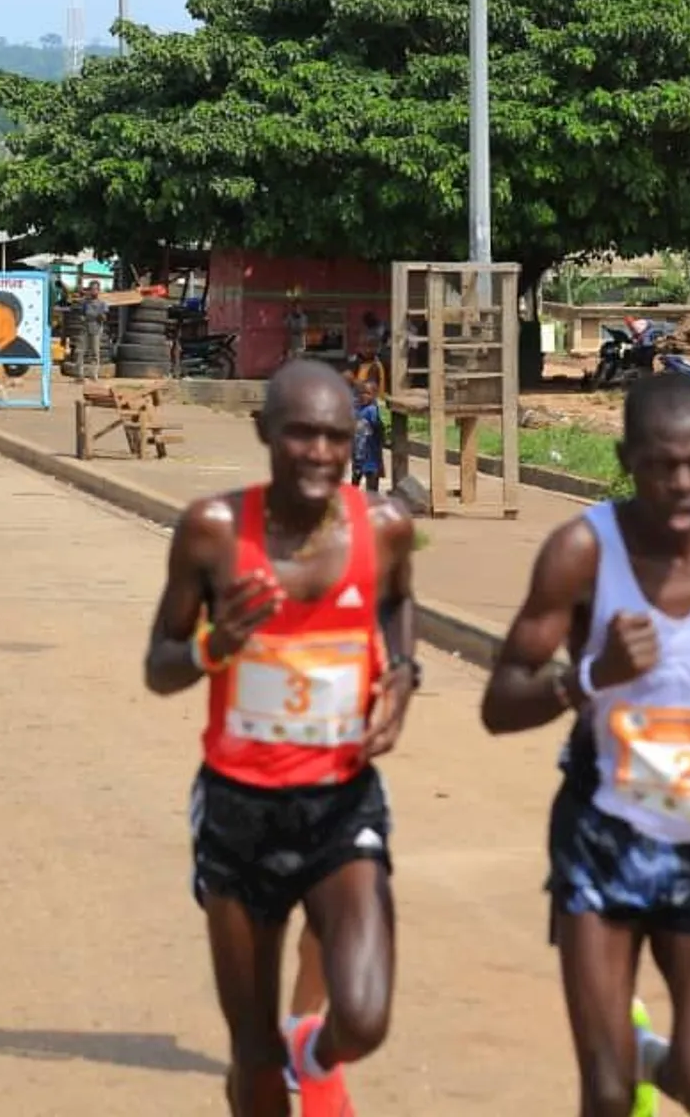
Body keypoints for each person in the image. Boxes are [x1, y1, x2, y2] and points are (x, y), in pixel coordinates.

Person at [479, 372, 690, 1117]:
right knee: (603, 1093)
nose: (683, 482)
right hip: (601, 837)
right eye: (662, 465)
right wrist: (593, 674)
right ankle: (616, 1061)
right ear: (626, 457)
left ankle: (638, 1049)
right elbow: (499, 704)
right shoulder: (581, 553)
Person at [143, 359, 419, 1117]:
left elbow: (397, 604)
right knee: (254, 1057)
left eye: (336, 436)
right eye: (301, 434)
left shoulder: (386, 528)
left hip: (341, 802)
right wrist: (212, 647)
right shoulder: (213, 530)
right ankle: (278, 1059)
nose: (321, 453)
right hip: (240, 809)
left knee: (362, 1016)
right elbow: (159, 667)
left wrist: (401, 674)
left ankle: (316, 1050)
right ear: (264, 433)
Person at [349, 379, 385, 493]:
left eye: (368, 393)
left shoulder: (372, 410)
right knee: (355, 479)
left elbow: (378, 427)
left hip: (371, 454)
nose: (364, 396)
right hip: (358, 454)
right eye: (361, 393)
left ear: (374, 395)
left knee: (372, 481)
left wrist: (381, 441)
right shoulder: (356, 409)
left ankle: (372, 502)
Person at [78, 281, 110, 380]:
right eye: (92, 289)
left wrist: (102, 317)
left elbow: (105, 317)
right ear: (89, 290)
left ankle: (94, 374)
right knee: (81, 352)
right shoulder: (85, 303)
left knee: (95, 352)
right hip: (85, 328)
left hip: (96, 329)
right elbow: (81, 314)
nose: (94, 291)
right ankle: (80, 374)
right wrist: (82, 318)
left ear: (99, 291)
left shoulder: (102, 304)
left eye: (96, 289)